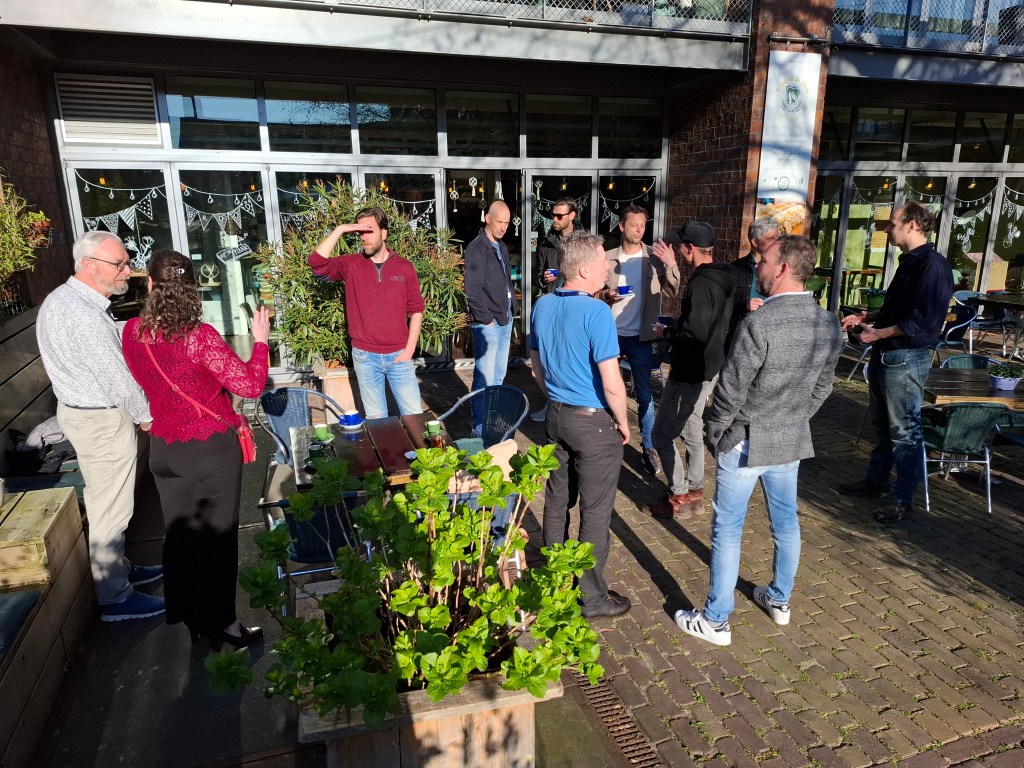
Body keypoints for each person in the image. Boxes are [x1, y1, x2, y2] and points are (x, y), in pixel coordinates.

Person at [674, 235, 842, 646]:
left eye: (764, 261)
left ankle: (716, 620)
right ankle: (780, 600)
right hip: (788, 439)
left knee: (728, 530)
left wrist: (717, 434)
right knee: (786, 524)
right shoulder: (827, 322)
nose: (758, 268)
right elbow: (823, 386)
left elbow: (730, 392)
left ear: (784, 268)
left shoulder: (760, 322)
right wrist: (796, 419)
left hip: (746, 441)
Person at [122, 249, 269, 651]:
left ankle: (191, 617)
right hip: (210, 451)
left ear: (149, 284)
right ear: (192, 289)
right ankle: (223, 624)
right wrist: (260, 344)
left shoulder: (133, 331)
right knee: (216, 541)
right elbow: (249, 385)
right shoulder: (199, 337)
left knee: (180, 537)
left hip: (165, 451)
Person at [36, 231, 165, 623]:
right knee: (112, 508)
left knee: (106, 502)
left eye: (126, 262)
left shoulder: (66, 300)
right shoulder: (81, 313)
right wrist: (147, 417)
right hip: (101, 419)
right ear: (89, 266)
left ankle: (118, 570)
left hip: (86, 413)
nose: (129, 270)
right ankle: (114, 596)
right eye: (119, 264)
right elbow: (117, 379)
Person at [530, 231, 632, 619]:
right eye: (605, 261)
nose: (609, 266)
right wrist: (623, 423)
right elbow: (611, 382)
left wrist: (553, 392)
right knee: (595, 511)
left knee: (557, 500)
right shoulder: (596, 313)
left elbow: (536, 366)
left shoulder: (542, 304)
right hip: (592, 423)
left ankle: (555, 581)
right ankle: (591, 598)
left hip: (556, 415)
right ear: (586, 269)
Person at [838, 201, 954, 523]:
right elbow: (899, 308)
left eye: (893, 223)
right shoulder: (909, 262)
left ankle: (902, 498)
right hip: (886, 355)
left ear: (912, 225)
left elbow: (922, 319)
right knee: (883, 427)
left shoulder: (933, 266)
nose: (888, 229)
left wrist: (878, 334)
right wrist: (867, 316)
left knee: (905, 432)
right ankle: (875, 482)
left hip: (905, 357)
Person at [648, 222, 736, 518]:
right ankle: (696, 487)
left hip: (689, 371)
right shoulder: (726, 277)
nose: (678, 249)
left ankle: (679, 496)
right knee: (693, 426)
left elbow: (694, 334)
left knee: (661, 435)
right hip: (711, 368)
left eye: (681, 245)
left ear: (691, 249)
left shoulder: (700, 283)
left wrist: (667, 333)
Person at [308, 207, 426, 419]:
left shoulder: (404, 268)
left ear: (384, 233)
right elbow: (317, 264)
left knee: (414, 417)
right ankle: (385, 453)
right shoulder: (350, 264)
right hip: (365, 357)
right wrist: (340, 230)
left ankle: (418, 453)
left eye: (369, 230)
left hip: (399, 355)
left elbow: (416, 310)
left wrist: (409, 350)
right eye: (360, 232)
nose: (364, 237)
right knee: (377, 420)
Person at [598, 205, 680, 475]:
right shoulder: (608, 258)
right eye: (634, 225)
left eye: (642, 226)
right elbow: (594, 292)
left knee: (644, 392)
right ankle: (608, 440)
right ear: (621, 227)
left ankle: (648, 446)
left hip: (641, 337)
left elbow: (673, 289)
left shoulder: (653, 260)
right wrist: (606, 295)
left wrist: (671, 264)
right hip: (610, 334)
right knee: (606, 389)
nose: (639, 230)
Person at [464, 200, 518, 436]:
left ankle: (493, 422)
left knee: (498, 376)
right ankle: (479, 428)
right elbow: (472, 290)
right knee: (483, 378)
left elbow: (505, 281)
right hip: (490, 323)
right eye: (499, 222)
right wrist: (486, 319)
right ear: (487, 218)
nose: (503, 227)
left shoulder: (501, 246)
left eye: (507, 223)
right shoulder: (476, 249)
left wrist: (510, 309)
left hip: (505, 319)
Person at [531, 197, 579, 422]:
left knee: (573, 359)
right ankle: (552, 404)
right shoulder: (547, 244)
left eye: (560, 215)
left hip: (577, 309)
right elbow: (537, 276)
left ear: (572, 216)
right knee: (551, 360)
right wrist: (543, 277)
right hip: (554, 307)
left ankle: (575, 408)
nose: (555, 219)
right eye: (553, 215)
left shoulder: (584, 243)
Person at [731, 216, 780, 321]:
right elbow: (723, 305)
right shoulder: (735, 269)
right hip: (742, 332)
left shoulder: (783, 268)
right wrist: (745, 306)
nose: (777, 242)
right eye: (771, 238)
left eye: (778, 237)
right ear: (755, 242)